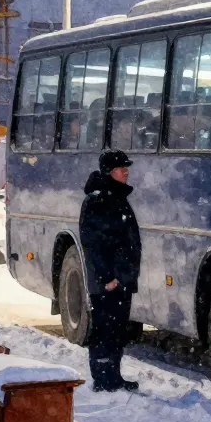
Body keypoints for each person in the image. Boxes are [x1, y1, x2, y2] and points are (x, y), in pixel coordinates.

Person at [78, 149, 142, 393]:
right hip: (108, 281)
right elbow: (93, 243)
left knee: (116, 330)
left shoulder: (115, 197)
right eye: (121, 168)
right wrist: (107, 277)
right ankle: (103, 380)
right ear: (109, 171)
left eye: (125, 167)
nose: (126, 171)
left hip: (120, 278)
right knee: (105, 330)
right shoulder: (99, 200)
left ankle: (113, 376)